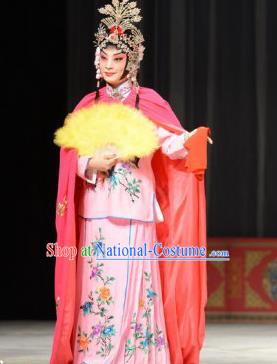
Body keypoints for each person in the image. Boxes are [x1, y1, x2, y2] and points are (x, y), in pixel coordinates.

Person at [50, 1, 212, 363]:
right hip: (96, 211)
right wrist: (92, 162)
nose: (109, 65)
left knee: (135, 285)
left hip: (137, 211)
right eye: (104, 58)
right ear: (96, 60)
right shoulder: (87, 106)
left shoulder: (148, 102)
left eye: (117, 59)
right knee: (99, 284)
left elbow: (171, 142)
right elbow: (69, 157)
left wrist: (192, 138)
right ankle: (97, 355)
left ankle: (139, 355)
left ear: (131, 62)